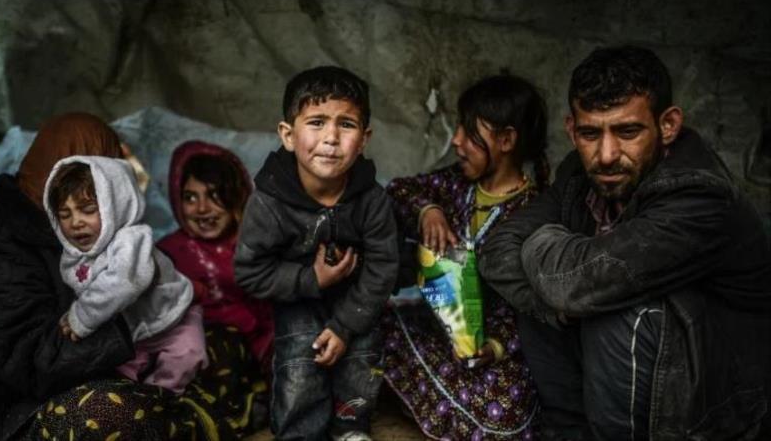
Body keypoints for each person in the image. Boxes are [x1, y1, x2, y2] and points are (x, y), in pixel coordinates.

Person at [480, 45, 771, 440]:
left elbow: (577, 283)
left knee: (609, 312)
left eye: (627, 131)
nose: (606, 154)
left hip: (716, 397)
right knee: (545, 304)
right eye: (589, 133)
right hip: (630, 371)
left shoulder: (700, 195)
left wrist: (545, 248)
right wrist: (558, 304)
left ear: (667, 125)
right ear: (571, 130)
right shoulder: (579, 173)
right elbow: (496, 249)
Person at [0, 112, 262, 441]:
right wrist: (129, 322)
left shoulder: (65, 232)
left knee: (220, 340)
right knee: (109, 412)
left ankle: (189, 417)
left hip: (74, 371)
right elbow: (36, 364)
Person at [234, 66, 399, 441]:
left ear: (365, 139)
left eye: (346, 125)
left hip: (358, 300)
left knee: (361, 358)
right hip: (296, 301)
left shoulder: (372, 200)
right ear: (288, 135)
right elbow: (250, 272)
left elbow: (383, 267)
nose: (330, 138)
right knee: (299, 365)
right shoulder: (269, 201)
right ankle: (298, 433)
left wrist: (345, 325)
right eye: (317, 122)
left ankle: (350, 428)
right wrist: (312, 280)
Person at [381, 74, 547, 440]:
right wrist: (428, 209)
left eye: (471, 134)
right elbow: (398, 188)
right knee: (376, 325)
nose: (456, 140)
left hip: (494, 348)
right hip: (438, 329)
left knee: (504, 413)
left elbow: (537, 308)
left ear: (506, 140)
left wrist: (495, 346)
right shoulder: (456, 184)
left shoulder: (535, 213)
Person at [44, 156, 206, 393]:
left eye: (87, 210)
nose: (76, 222)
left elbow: (124, 283)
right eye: (64, 215)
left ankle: (162, 398)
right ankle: (135, 403)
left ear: (116, 206)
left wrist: (80, 318)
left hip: (173, 318)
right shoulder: (73, 257)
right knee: (118, 378)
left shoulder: (132, 239)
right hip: (134, 333)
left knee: (188, 354)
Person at [157, 140, 274, 370]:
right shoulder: (166, 255)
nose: (202, 208)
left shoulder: (262, 244)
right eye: (190, 197)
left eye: (214, 195)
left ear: (237, 196)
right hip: (201, 359)